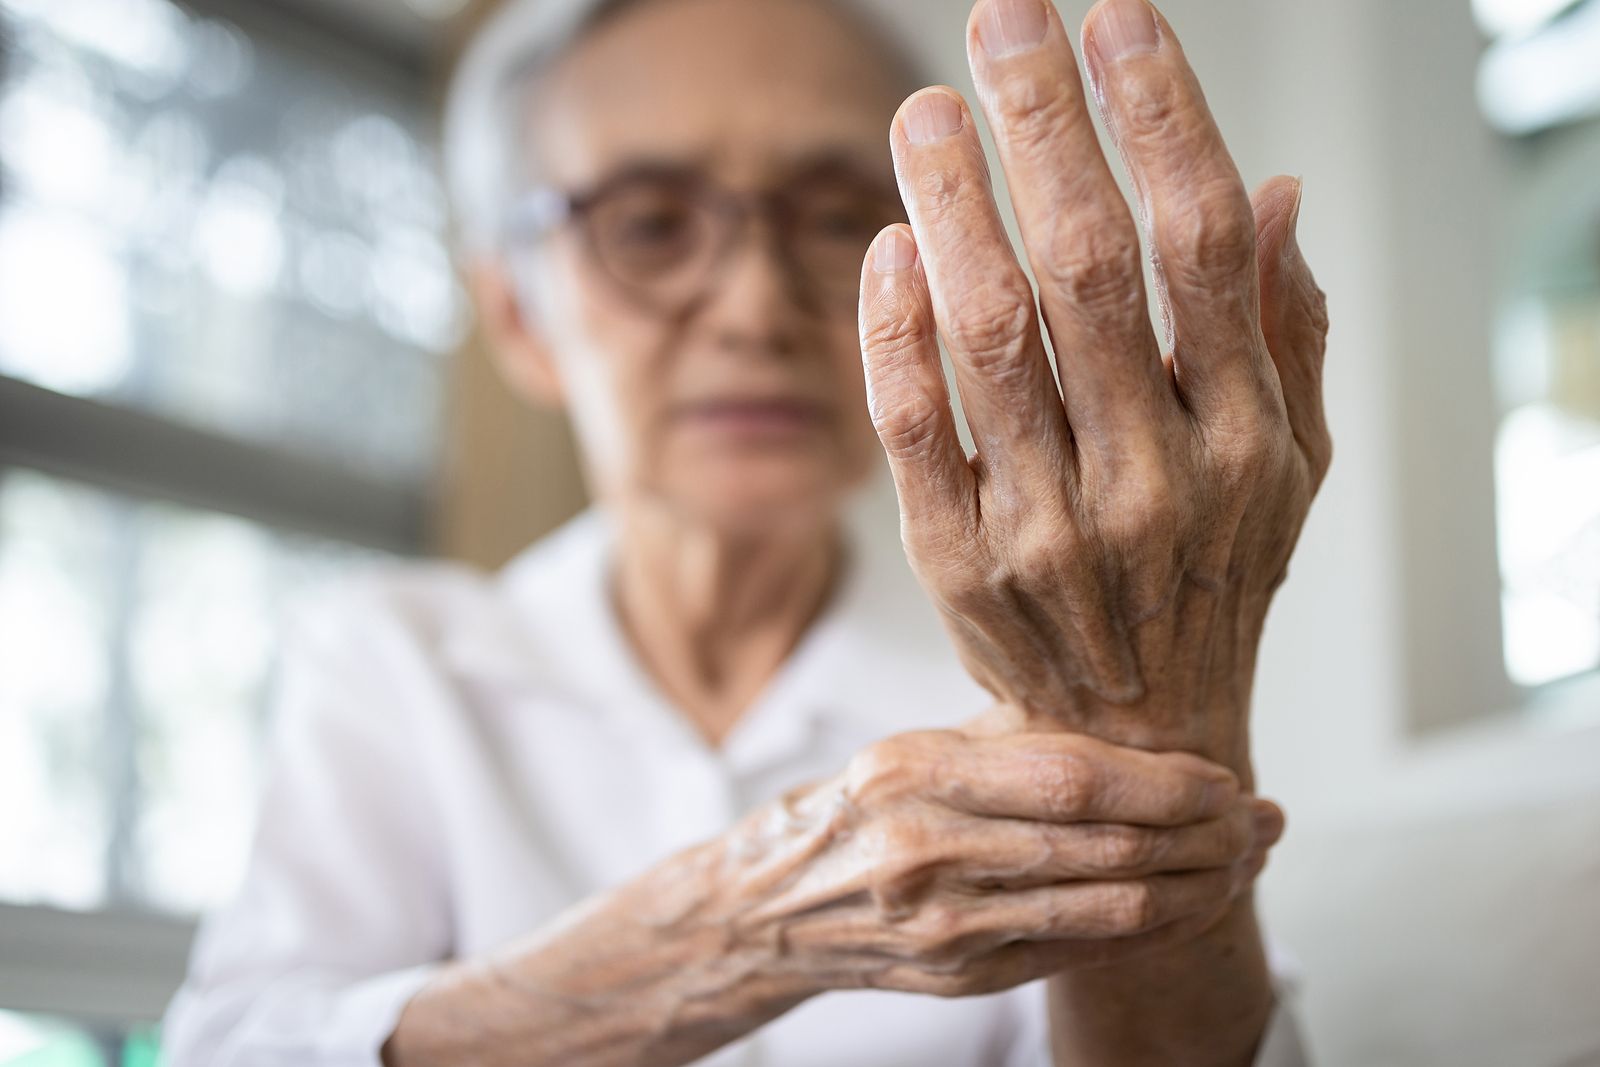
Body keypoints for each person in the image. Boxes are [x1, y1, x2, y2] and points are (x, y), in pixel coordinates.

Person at [162, 0, 1330, 1062]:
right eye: (651, 222)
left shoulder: (1031, 664)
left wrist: (1144, 717)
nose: (755, 303)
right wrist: (747, 930)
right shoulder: (395, 660)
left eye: (833, 221)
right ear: (519, 315)